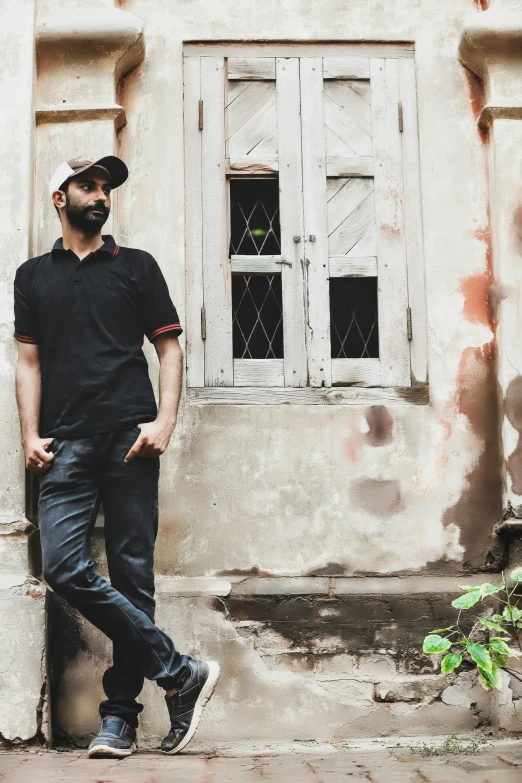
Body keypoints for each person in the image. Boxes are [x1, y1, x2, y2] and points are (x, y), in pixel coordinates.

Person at [13, 155, 220, 759]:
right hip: (64, 442)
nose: (100, 196)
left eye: (106, 188)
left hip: (130, 439)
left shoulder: (136, 266)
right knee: (64, 567)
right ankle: (180, 672)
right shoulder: (32, 276)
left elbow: (170, 348)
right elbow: (28, 361)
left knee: (134, 578)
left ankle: (121, 718)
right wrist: (30, 433)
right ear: (60, 197)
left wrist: (165, 421)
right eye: (87, 185)